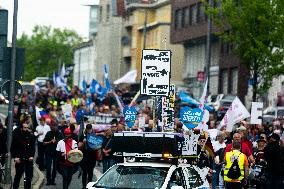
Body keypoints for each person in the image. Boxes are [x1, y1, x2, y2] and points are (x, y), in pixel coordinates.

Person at [11, 124, 36, 189]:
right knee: (18, 176)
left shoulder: (31, 136)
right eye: (25, 128)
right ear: (21, 128)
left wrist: (32, 156)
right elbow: (13, 148)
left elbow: (33, 148)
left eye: (27, 128)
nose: (26, 129)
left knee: (29, 177)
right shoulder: (17, 136)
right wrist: (15, 157)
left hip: (28, 159)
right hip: (20, 159)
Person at [43, 120, 63, 185]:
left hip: (56, 154)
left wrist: (56, 142)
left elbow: (62, 144)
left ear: (57, 126)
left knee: (55, 168)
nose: (54, 127)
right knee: (48, 167)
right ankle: (48, 180)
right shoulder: (48, 133)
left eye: (55, 126)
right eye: (52, 126)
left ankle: (53, 180)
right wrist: (50, 142)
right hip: (48, 153)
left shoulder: (59, 134)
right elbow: (44, 143)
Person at [78, 124, 97, 189]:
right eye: (88, 129)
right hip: (84, 157)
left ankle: (89, 186)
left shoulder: (94, 135)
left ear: (91, 129)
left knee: (90, 173)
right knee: (84, 172)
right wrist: (83, 143)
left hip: (92, 157)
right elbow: (79, 145)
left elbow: (97, 145)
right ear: (86, 129)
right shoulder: (82, 136)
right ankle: (83, 186)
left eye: (90, 129)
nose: (89, 130)